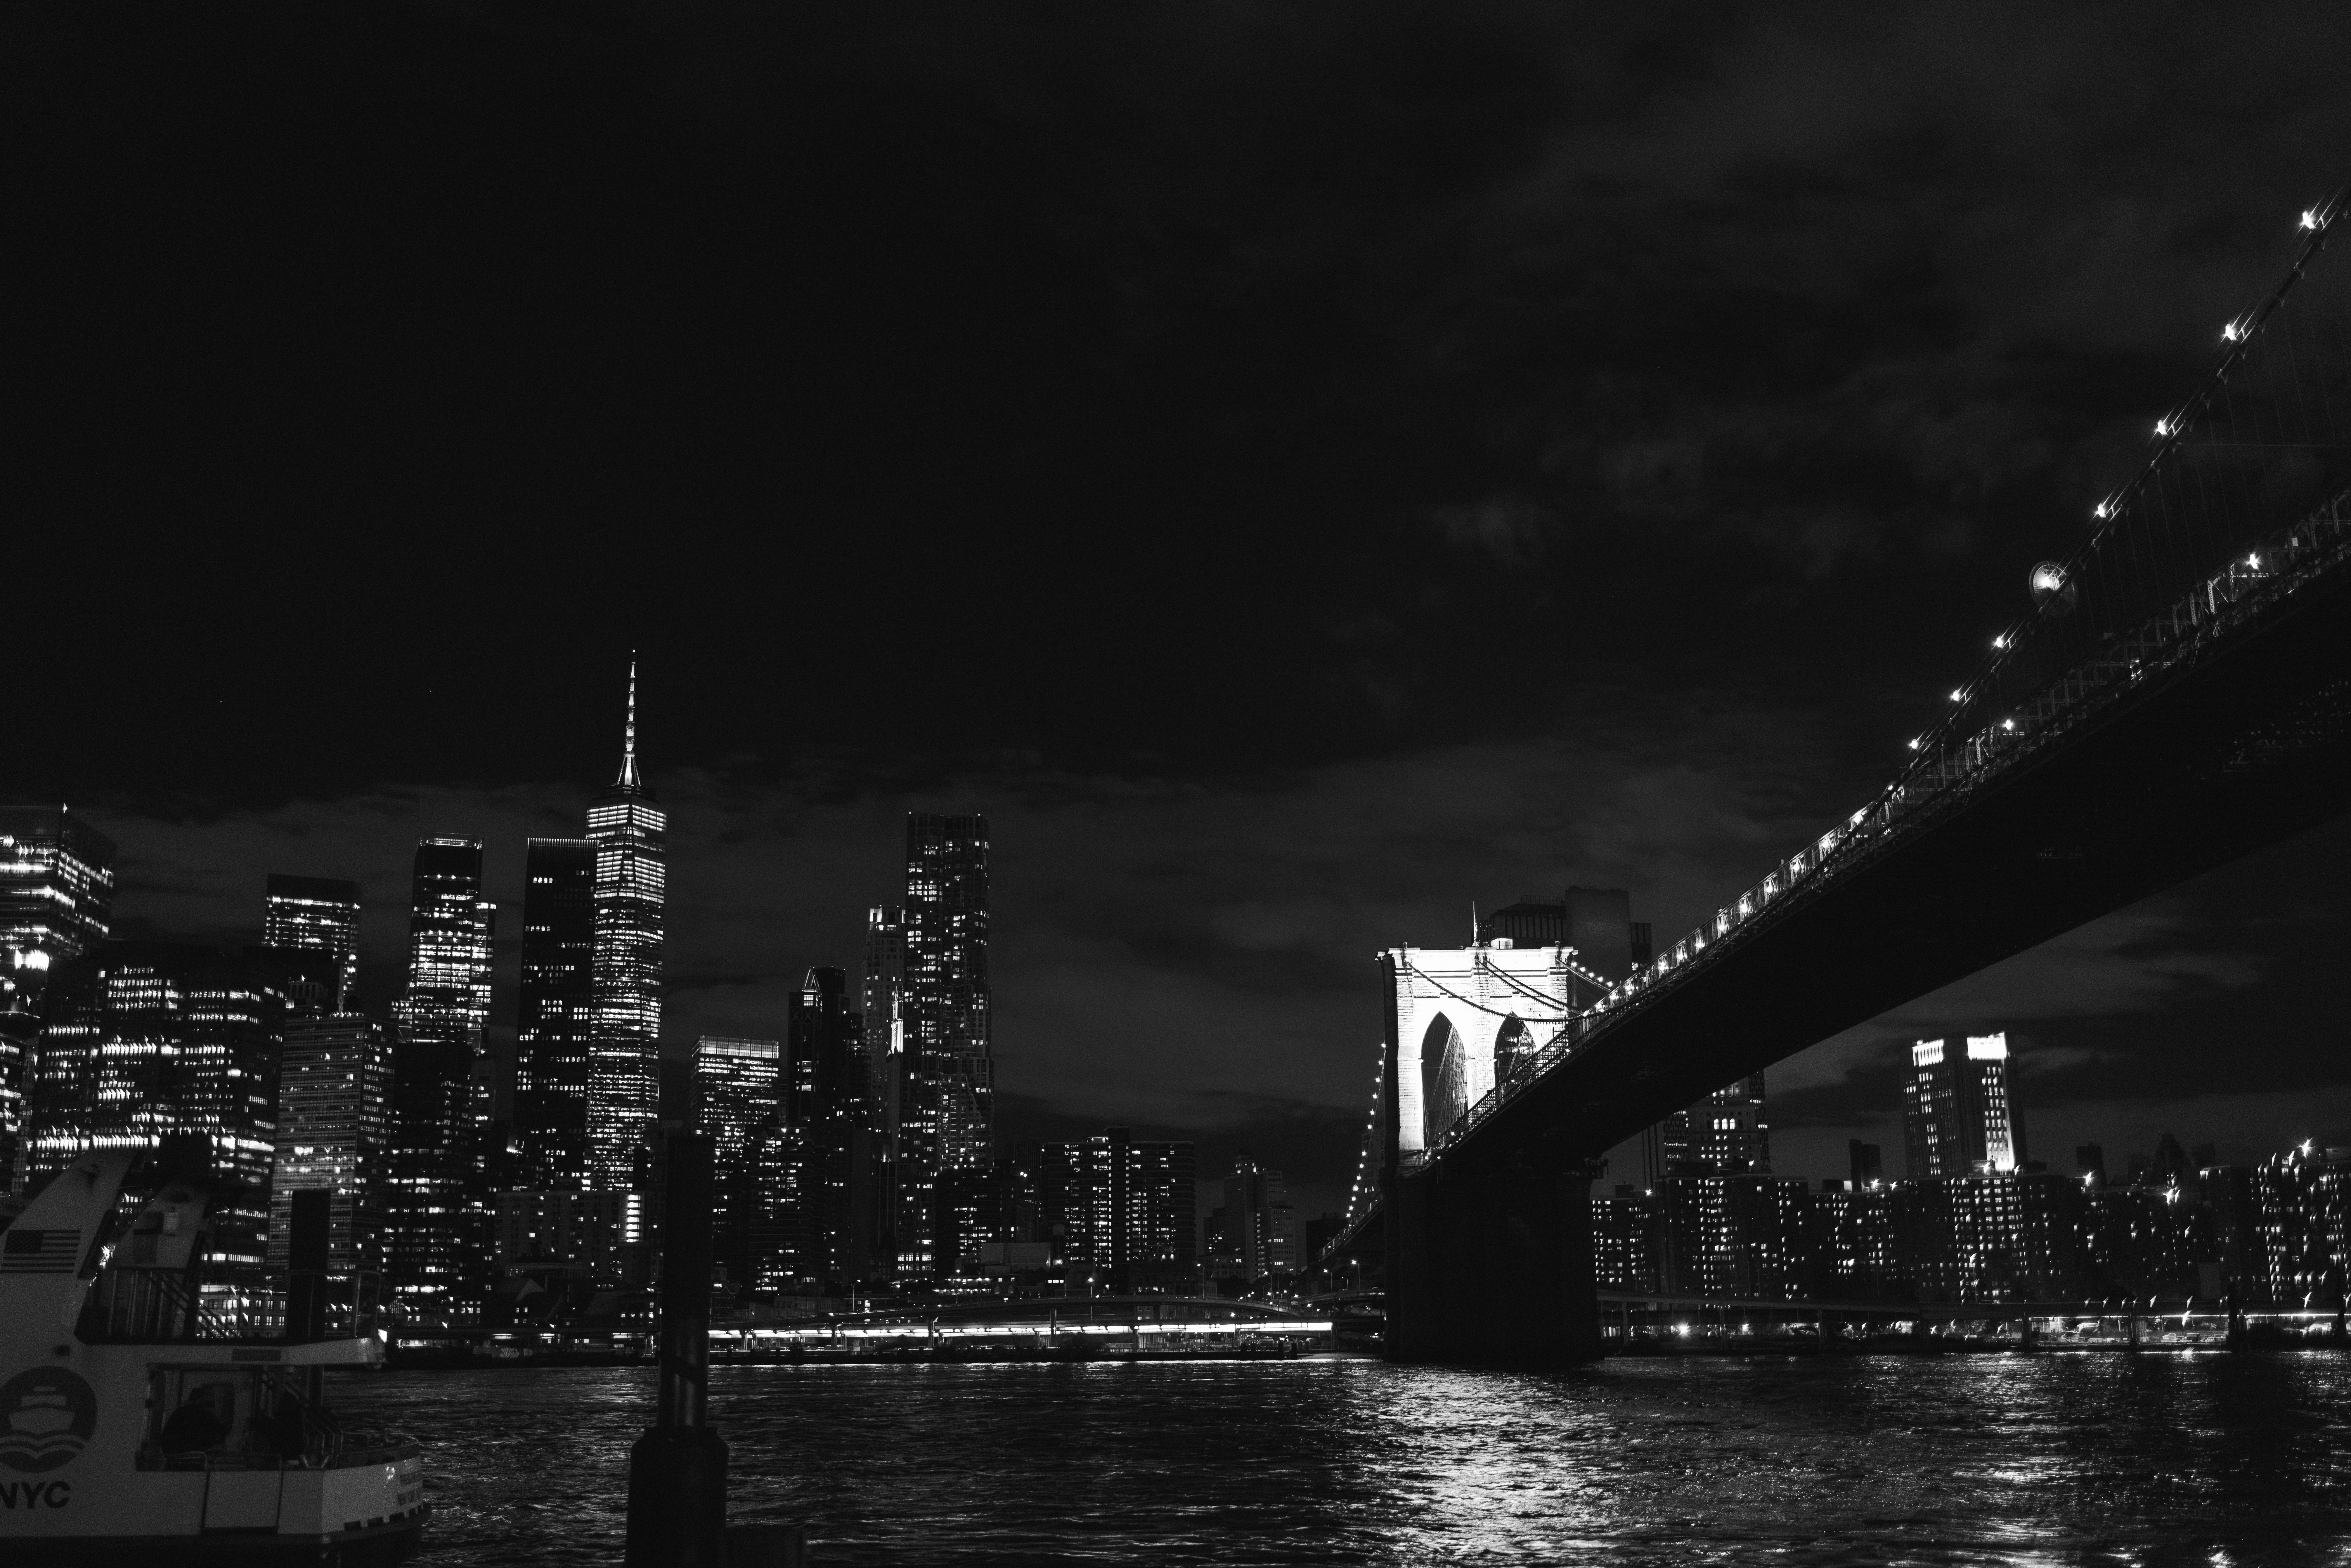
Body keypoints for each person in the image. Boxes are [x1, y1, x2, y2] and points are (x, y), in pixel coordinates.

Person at [159, 1389, 229, 1453]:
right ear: (203, 1400)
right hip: (197, 1458)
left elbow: (166, 1438)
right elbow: (222, 1431)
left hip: (175, 1458)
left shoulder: (179, 1413)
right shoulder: (206, 1415)